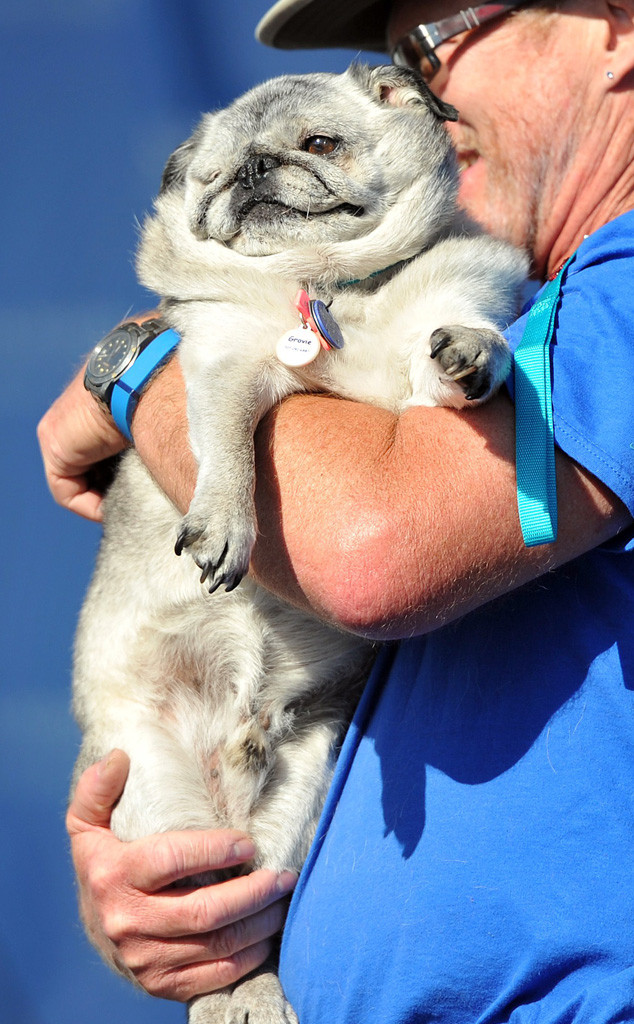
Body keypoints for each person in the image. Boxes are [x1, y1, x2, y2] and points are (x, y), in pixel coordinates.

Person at [38, 0, 634, 1018]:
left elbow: (369, 549)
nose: (411, 96)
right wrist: (167, 901)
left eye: (426, 44)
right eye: (388, 62)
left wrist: (139, 366)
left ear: (616, 25)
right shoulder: (521, 294)